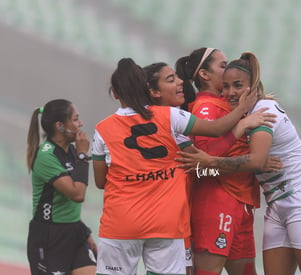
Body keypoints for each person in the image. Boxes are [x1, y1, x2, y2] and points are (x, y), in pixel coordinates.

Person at [92, 58, 275, 275]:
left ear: (115, 93)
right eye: (171, 79)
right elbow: (204, 163)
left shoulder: (103, 128)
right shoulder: (171, 119)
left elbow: (101, 181)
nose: (180, 82)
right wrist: (246, 161)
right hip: (169, 222)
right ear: (151, 90)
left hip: (122, 222)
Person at [176, 52, 301, 275]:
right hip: (269, 204)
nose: (230, 92)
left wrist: (217, 162)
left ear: (253, 86)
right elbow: (205, 167)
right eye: (226, 85)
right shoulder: (224, 110)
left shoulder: (262, 111)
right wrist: (223, 162)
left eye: (238, 86)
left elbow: (252, 160)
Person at [176, 47, 276, 275]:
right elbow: (202, 165)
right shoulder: (206, 107)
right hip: (217, 200)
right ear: (204, 74)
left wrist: (255, 162)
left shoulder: (228, 104)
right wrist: (250, 158)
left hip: (241, 201)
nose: (228, 68)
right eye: (222, 65)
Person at [26, 99, 97, 275]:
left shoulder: (70, 150)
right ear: (60, 126)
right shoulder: (46, 156)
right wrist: (82, 155)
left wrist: (85, 232)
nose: (80, 124)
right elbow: (77, 194)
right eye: (75, 119)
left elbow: (69, 205)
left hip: (74, 231)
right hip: (49, 237)